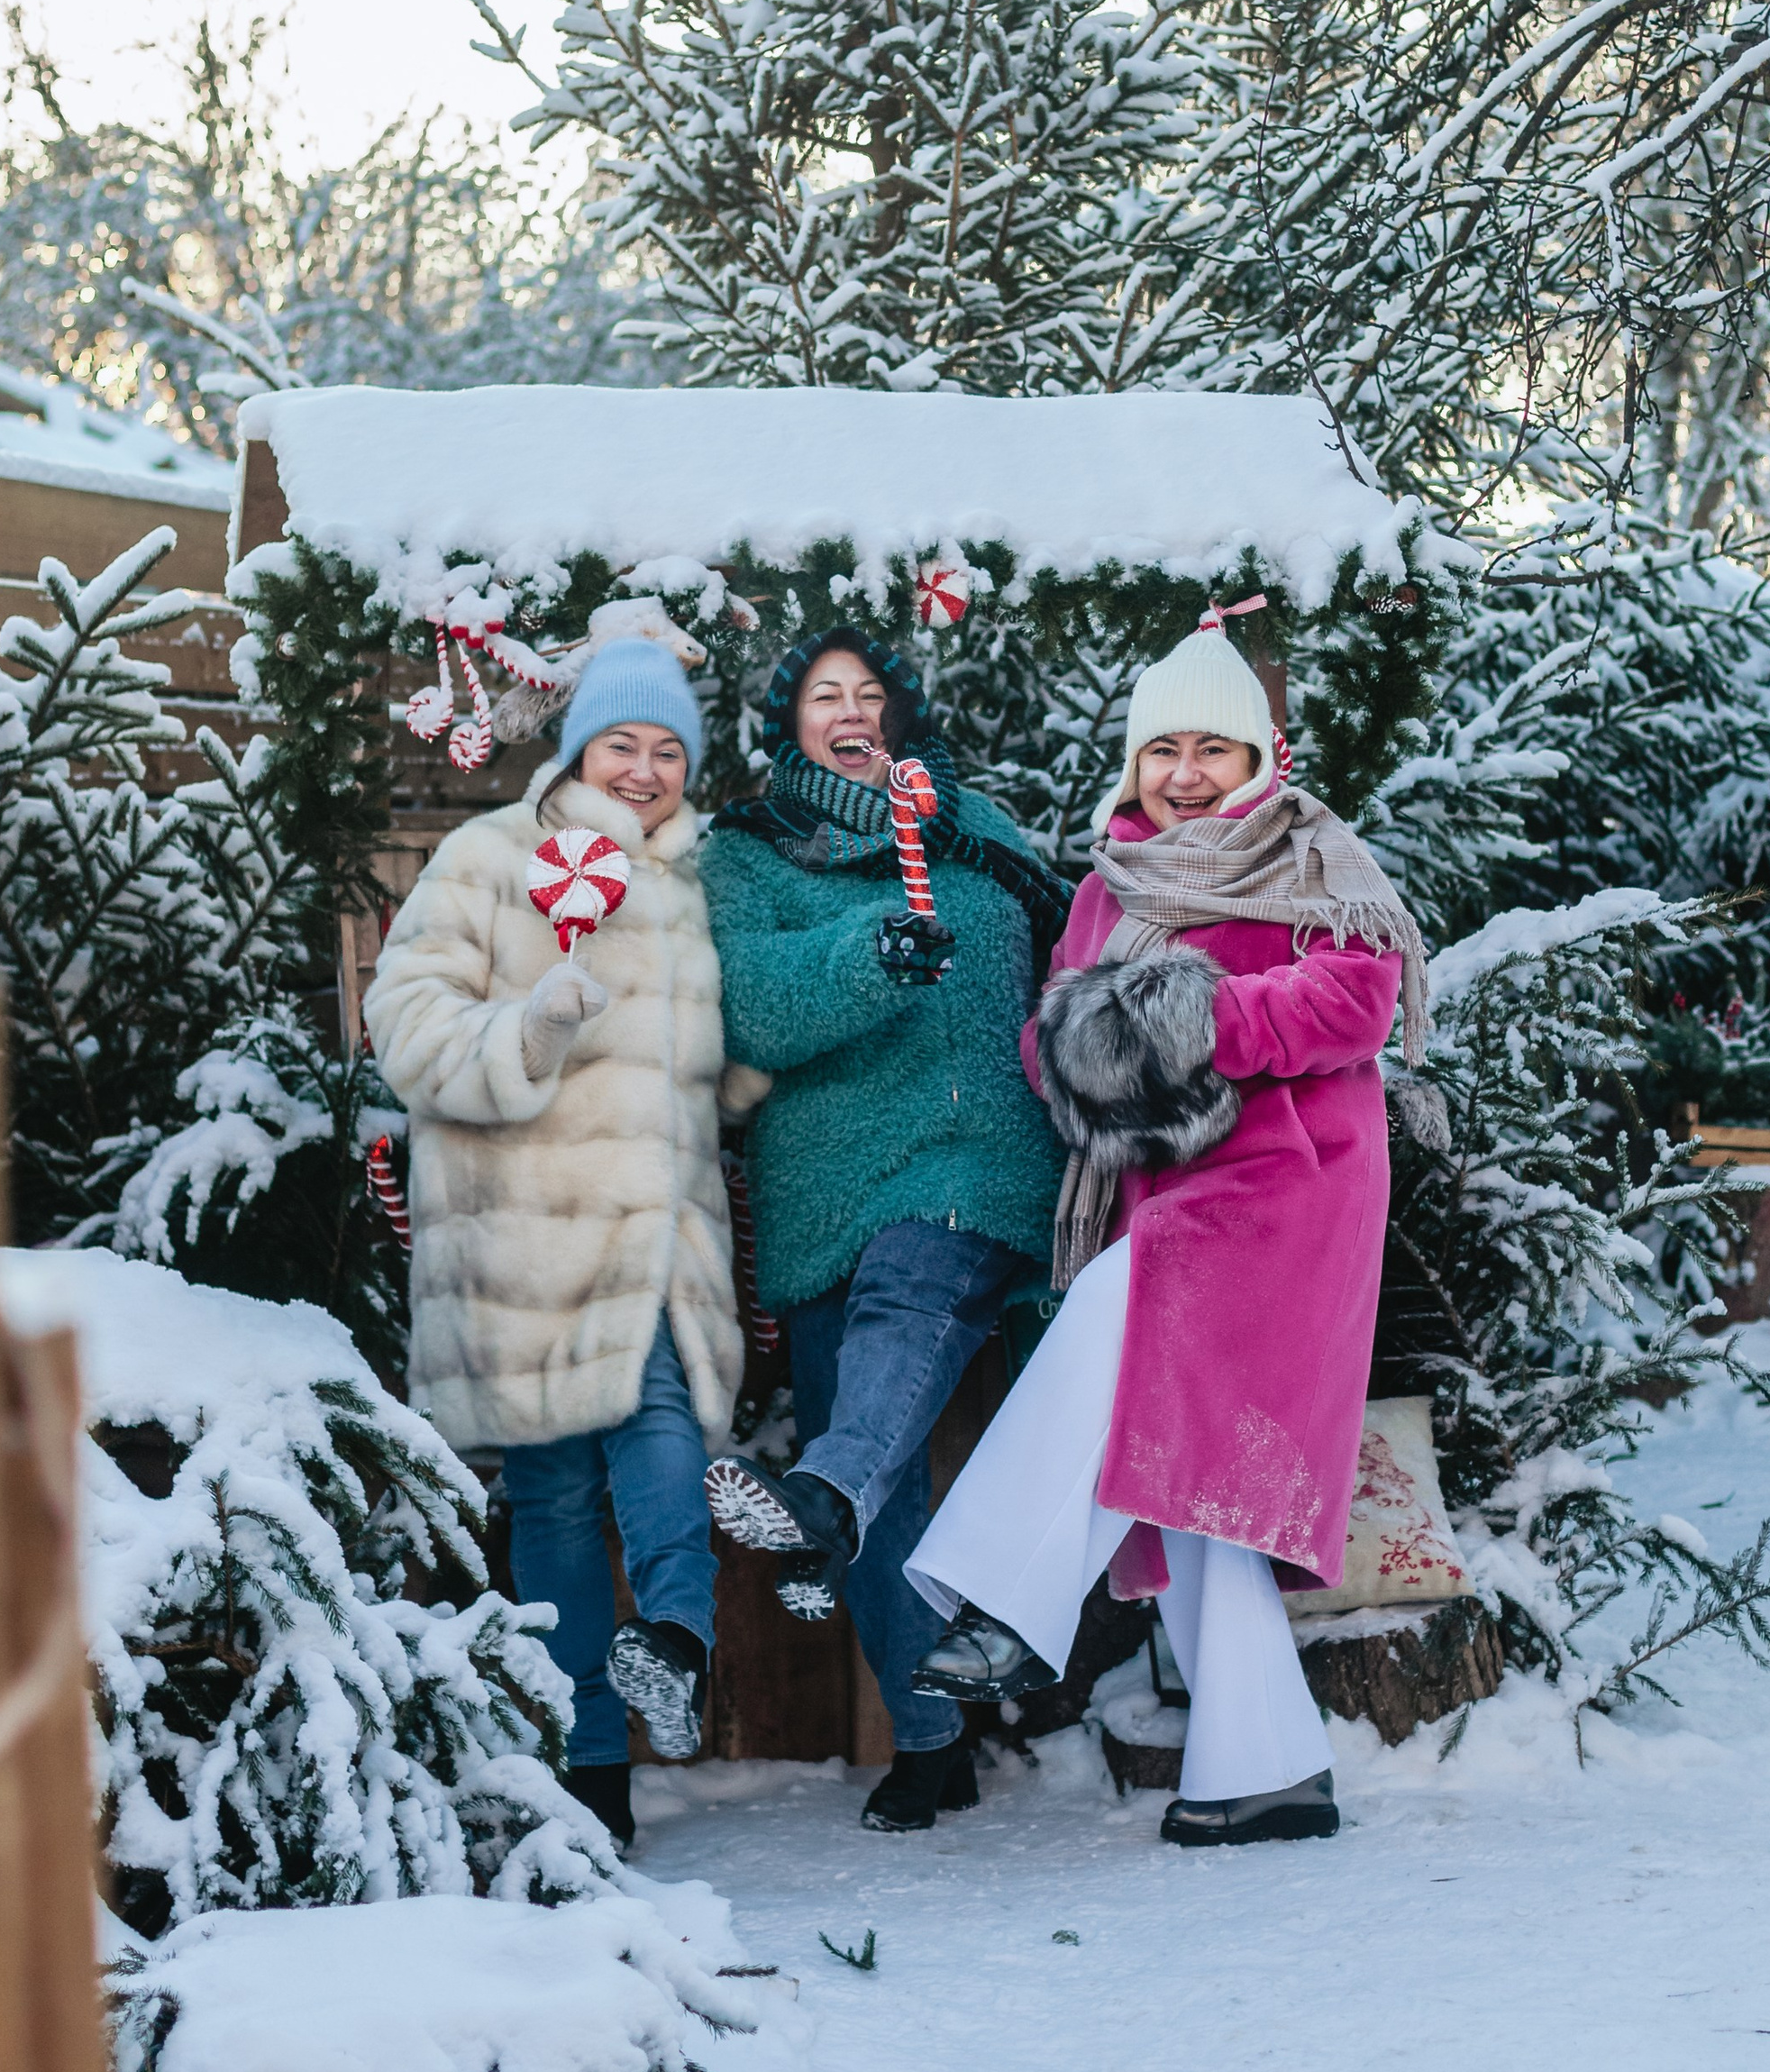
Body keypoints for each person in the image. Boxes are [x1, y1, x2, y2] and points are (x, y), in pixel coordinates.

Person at [903, 611, 1429, 1848]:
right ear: (1135, 763)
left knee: (1113, 1323)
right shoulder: (1108, 886)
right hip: (1164, 1185)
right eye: (1164, 750)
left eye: (1213, 748)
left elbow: (1354, 998)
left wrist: (1179, 1021)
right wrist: (1107, 1042)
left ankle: (1008, 1595)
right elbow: (1052, 1041)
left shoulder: (1309, 856)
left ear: (1259, 761)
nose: (1185, 771)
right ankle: (1268, 1768)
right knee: (1186, 1470)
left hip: (1288, 1189)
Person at [362, 629, 743, 1855]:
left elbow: (709, 1067)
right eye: (621, 743)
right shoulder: (492, 858)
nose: (643, 769)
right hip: (519, 1235)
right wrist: (528, 1030)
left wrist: (751, 1076)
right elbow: (403, 1018)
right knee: (557, 1498)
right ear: (579, 748)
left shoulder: (693, 881)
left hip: (652, 1228)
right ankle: (588, 1766)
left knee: (661, 1411)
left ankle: (673, 1640)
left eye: (667, 749)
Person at [698, 626, 1071, 1833]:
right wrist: (865, 955)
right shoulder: (750, 853)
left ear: (900, 716)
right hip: (822, 1187)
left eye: (869, 694)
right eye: (823, 696)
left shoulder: (988, 833)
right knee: (876, 1468)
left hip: (978, 1158)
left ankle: (821, 1495)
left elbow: (1079, 952)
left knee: (910, 1300)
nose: (848, 712)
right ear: (789, 722)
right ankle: (931, 1736)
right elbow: (746, 1002)